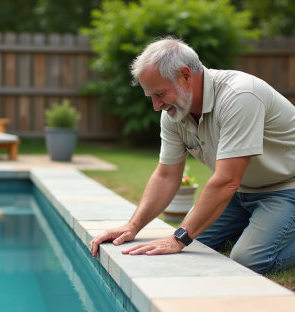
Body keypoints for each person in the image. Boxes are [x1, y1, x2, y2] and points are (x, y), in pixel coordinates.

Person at [90, 36, 295, 274]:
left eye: (160, 94)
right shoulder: (174, 113)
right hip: (241, 193)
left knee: (245, 260)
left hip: (285, 187)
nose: (156, 106)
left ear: (186, 76)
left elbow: (227, 181)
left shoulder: (240, 96)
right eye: (152, 98)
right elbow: (166, 175)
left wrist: (177, 239)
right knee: (195, 245)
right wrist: (132, 226)